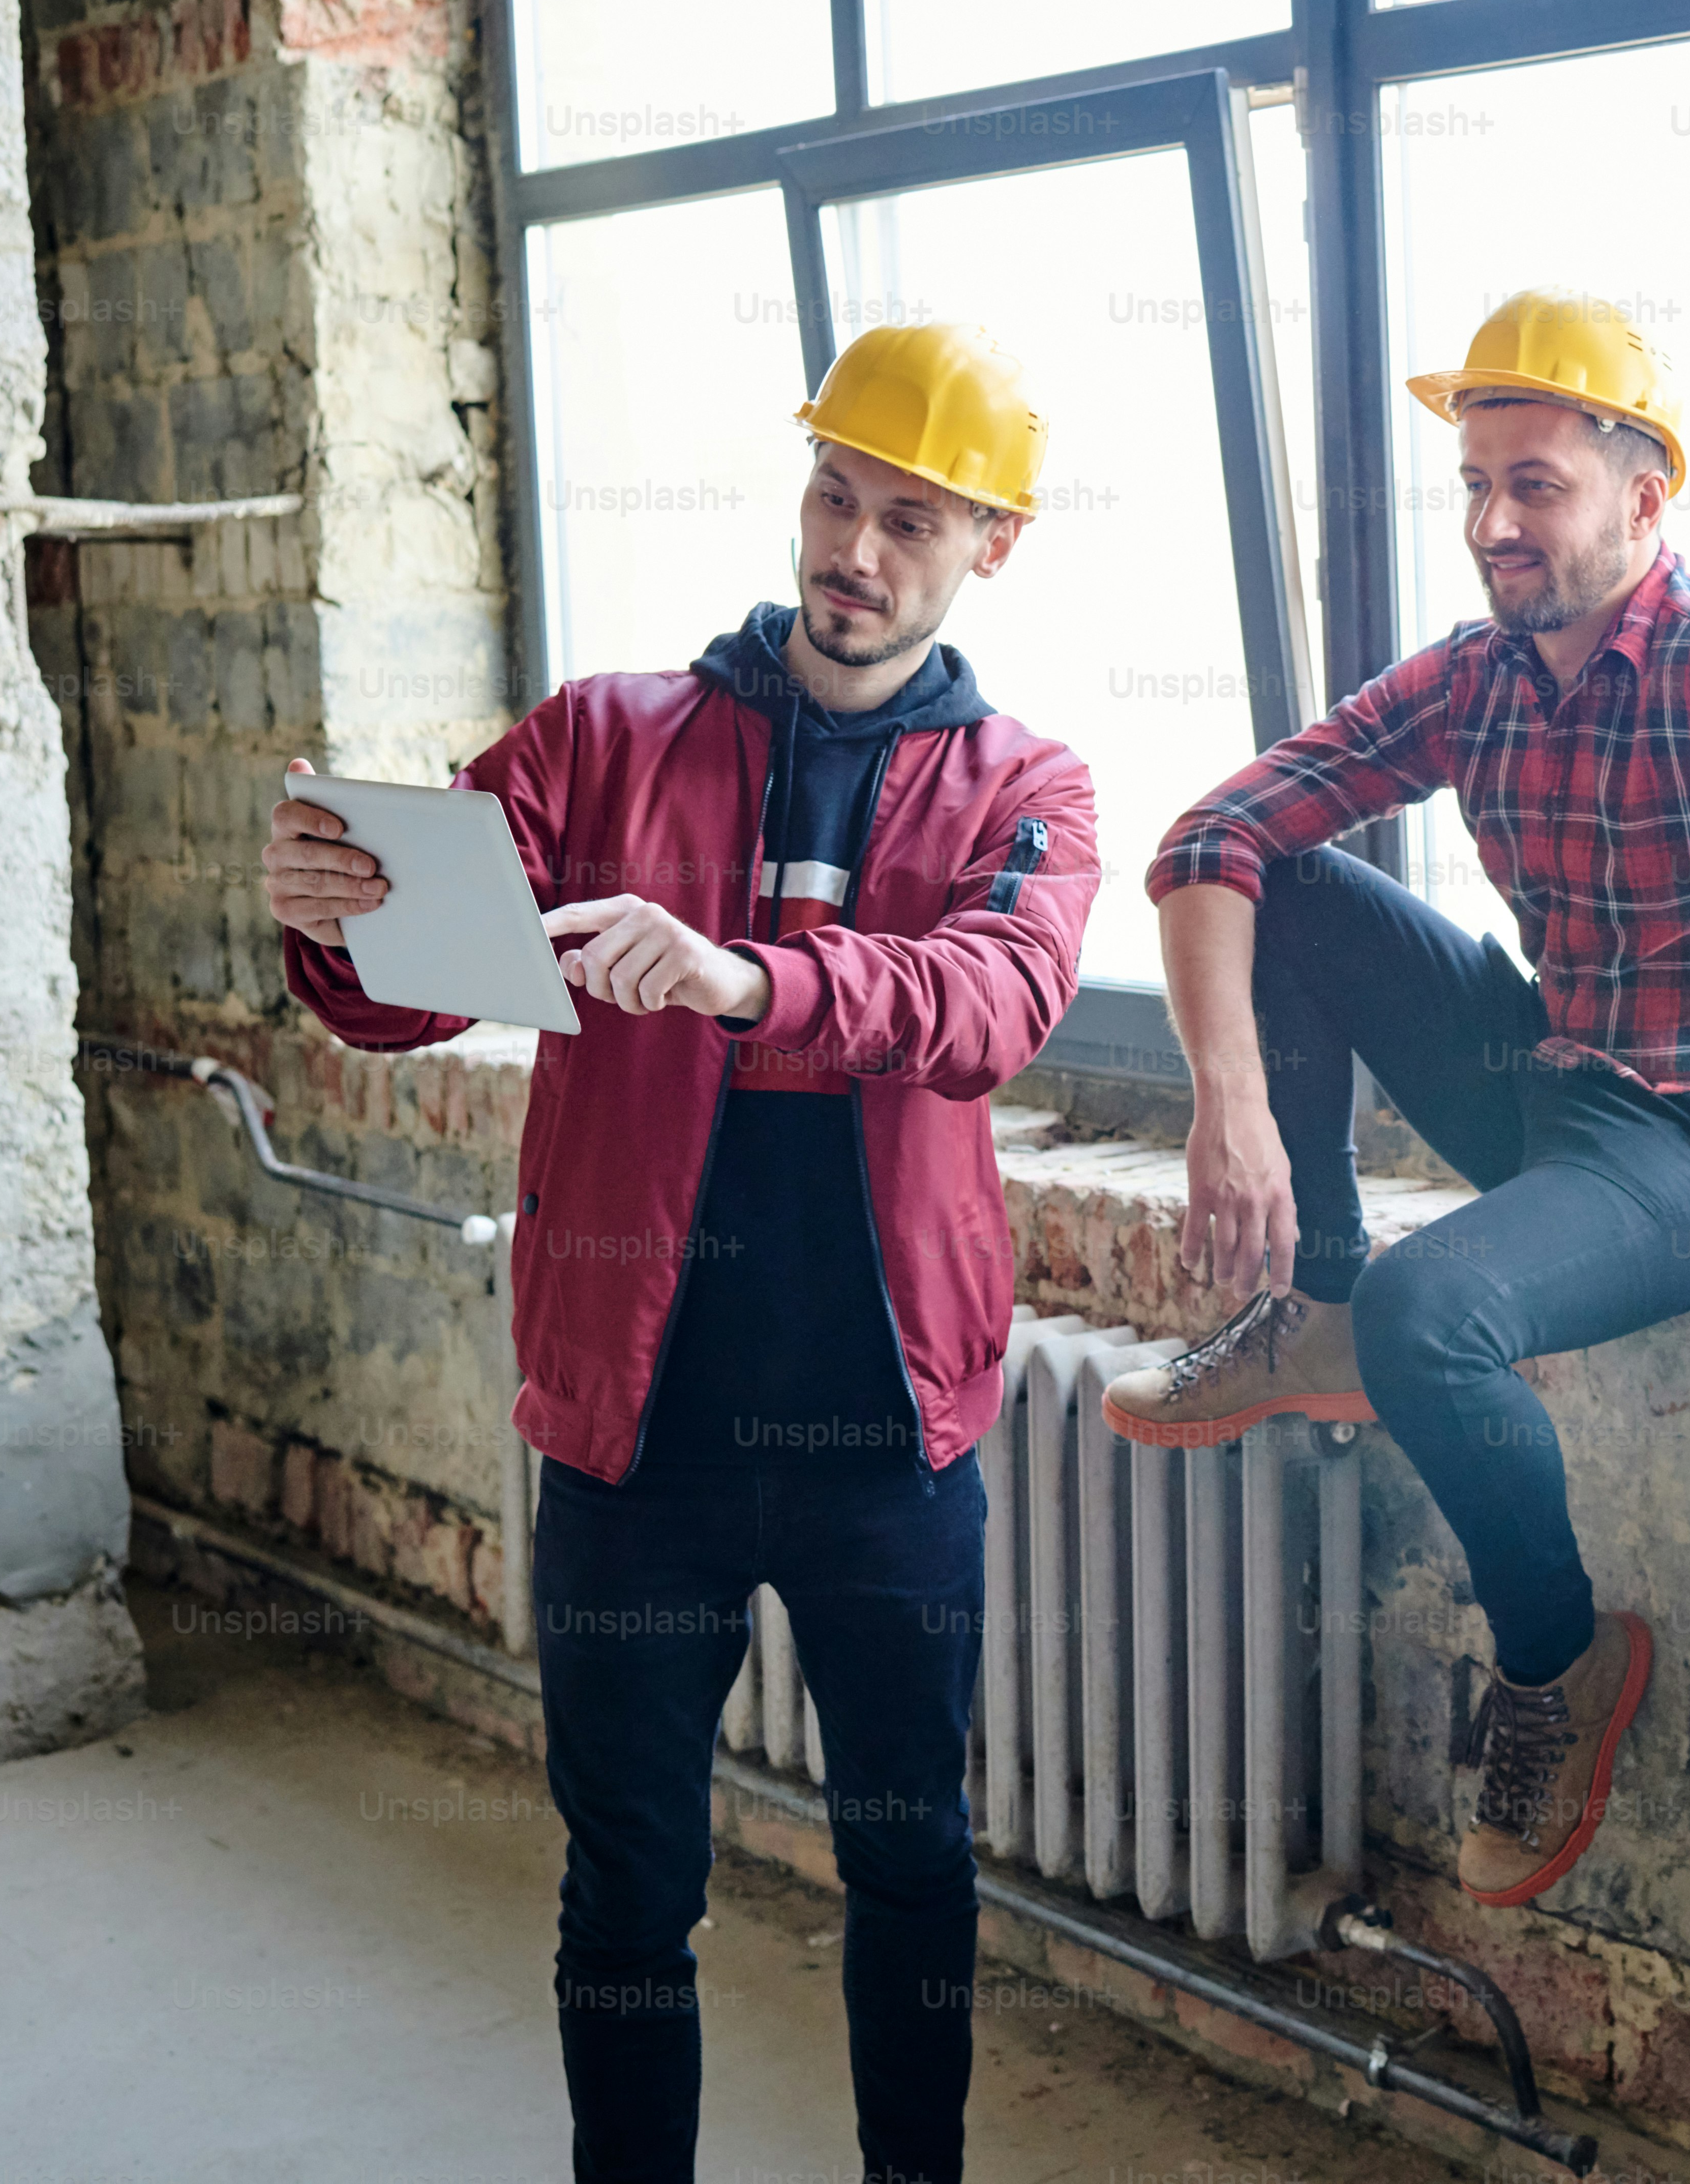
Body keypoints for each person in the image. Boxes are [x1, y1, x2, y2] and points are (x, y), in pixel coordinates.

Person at [258, 323, 1099, 2184]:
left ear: (994, 545)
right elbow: (413, 985)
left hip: (889, 1452)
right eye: (835, 496)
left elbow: (993, 1006)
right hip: (636, 1450)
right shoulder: (600, 739)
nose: (854, 552)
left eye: (910, 521)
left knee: (910, 1863)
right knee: (629, 1885)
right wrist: (333, 917)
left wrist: (746, 980)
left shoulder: (1028, 788)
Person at [1109, 287, 1690, 1908]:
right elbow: (1211, 839)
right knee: (1288, 885)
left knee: (1439, 1311)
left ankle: (1561, 1664)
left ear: (1645, 497)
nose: (1495, 523)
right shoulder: (1478, 675)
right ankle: (1318, 1305)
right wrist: (1231, 1104)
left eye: (1537, 486)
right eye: (1477, 485)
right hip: (1559, 1086)